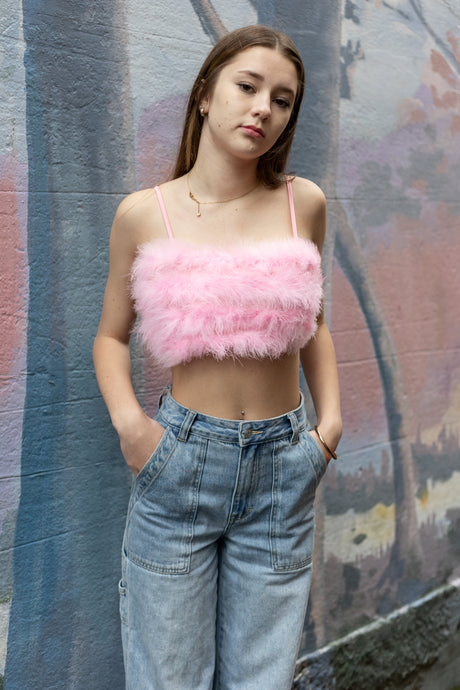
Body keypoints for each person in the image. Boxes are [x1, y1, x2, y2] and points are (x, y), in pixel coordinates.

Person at [93, 24, 342, 690]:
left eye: (283, 99)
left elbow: (313, 322)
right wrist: (133, 429)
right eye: (248, 86)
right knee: (170, 678)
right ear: (205, 94)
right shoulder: (145, 214)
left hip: (284, 470)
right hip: (178, 467)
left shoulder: (303, 203)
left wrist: (330, 428)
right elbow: (110, 336)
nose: (264, 108)